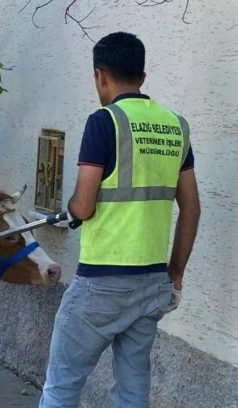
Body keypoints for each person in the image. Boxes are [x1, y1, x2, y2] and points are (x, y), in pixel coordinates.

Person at [39, 32, 201, 408]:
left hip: (101, 283)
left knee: (61, 387)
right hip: (151, 283)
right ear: (142, 77)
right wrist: (174, 275)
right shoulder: (177, 125)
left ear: (100, 75)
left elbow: (82, 206)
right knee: (132, 392)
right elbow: (191, 208)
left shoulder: (104, 122)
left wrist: (72, 207)